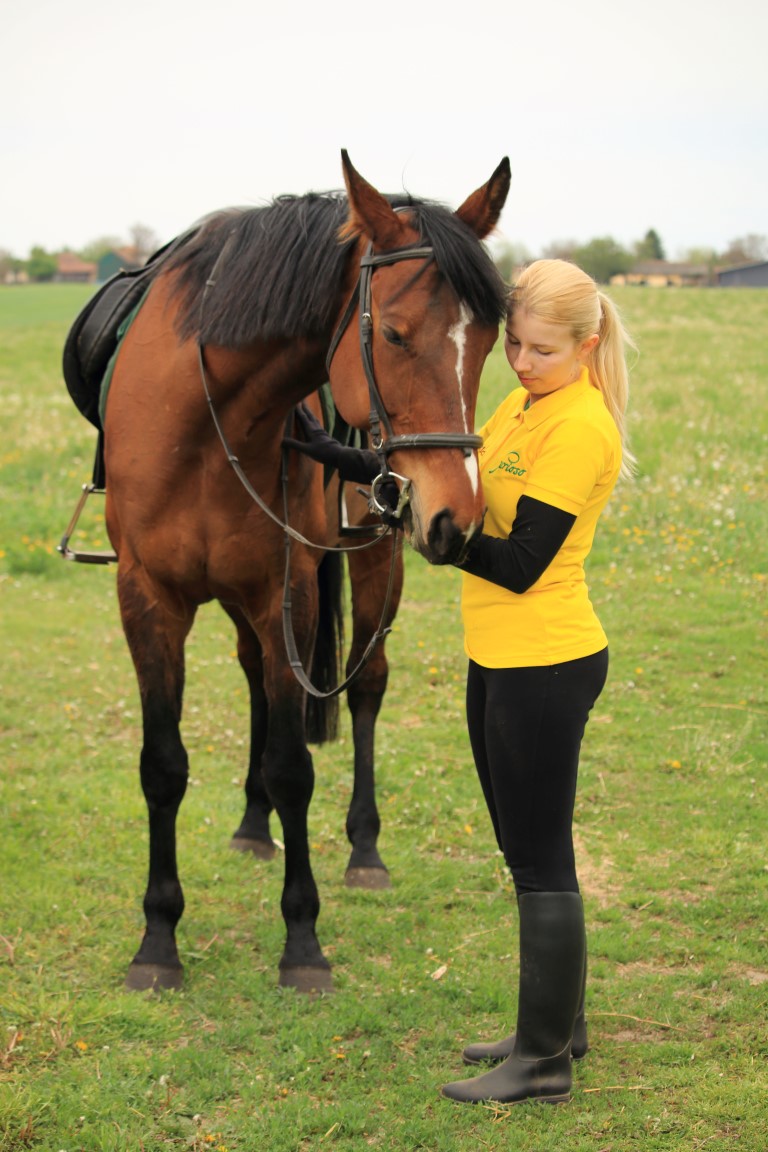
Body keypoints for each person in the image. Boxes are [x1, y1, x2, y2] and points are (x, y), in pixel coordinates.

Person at [284, 258, 635, 1107]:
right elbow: (451, 481)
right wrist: (340, 458)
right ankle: (558, 1027)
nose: (521, 362)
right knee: (526, 851)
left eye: (543, 350)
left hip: (546, 661)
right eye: (514, 344)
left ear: (587, 347)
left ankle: (542, 1064)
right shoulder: (524, 406)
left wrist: (437, 539)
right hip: (501, 657)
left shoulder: (579, 427)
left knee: (542, 860)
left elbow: (519, 563)